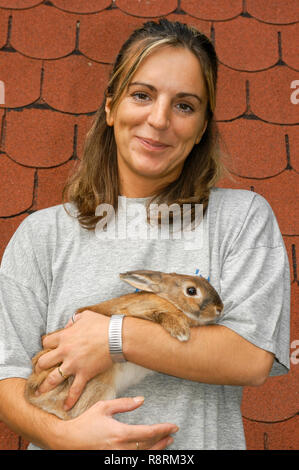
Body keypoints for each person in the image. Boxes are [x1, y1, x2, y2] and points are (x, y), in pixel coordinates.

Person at [0, 19, 290, 450]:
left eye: (184, 106)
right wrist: (66, 438)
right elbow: (8, 375)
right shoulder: (42, 234)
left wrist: (113, 338)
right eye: (142, 95)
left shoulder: (242, 218)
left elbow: (250, 357)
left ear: (202, 128)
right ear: (111, 105)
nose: (158, 120)